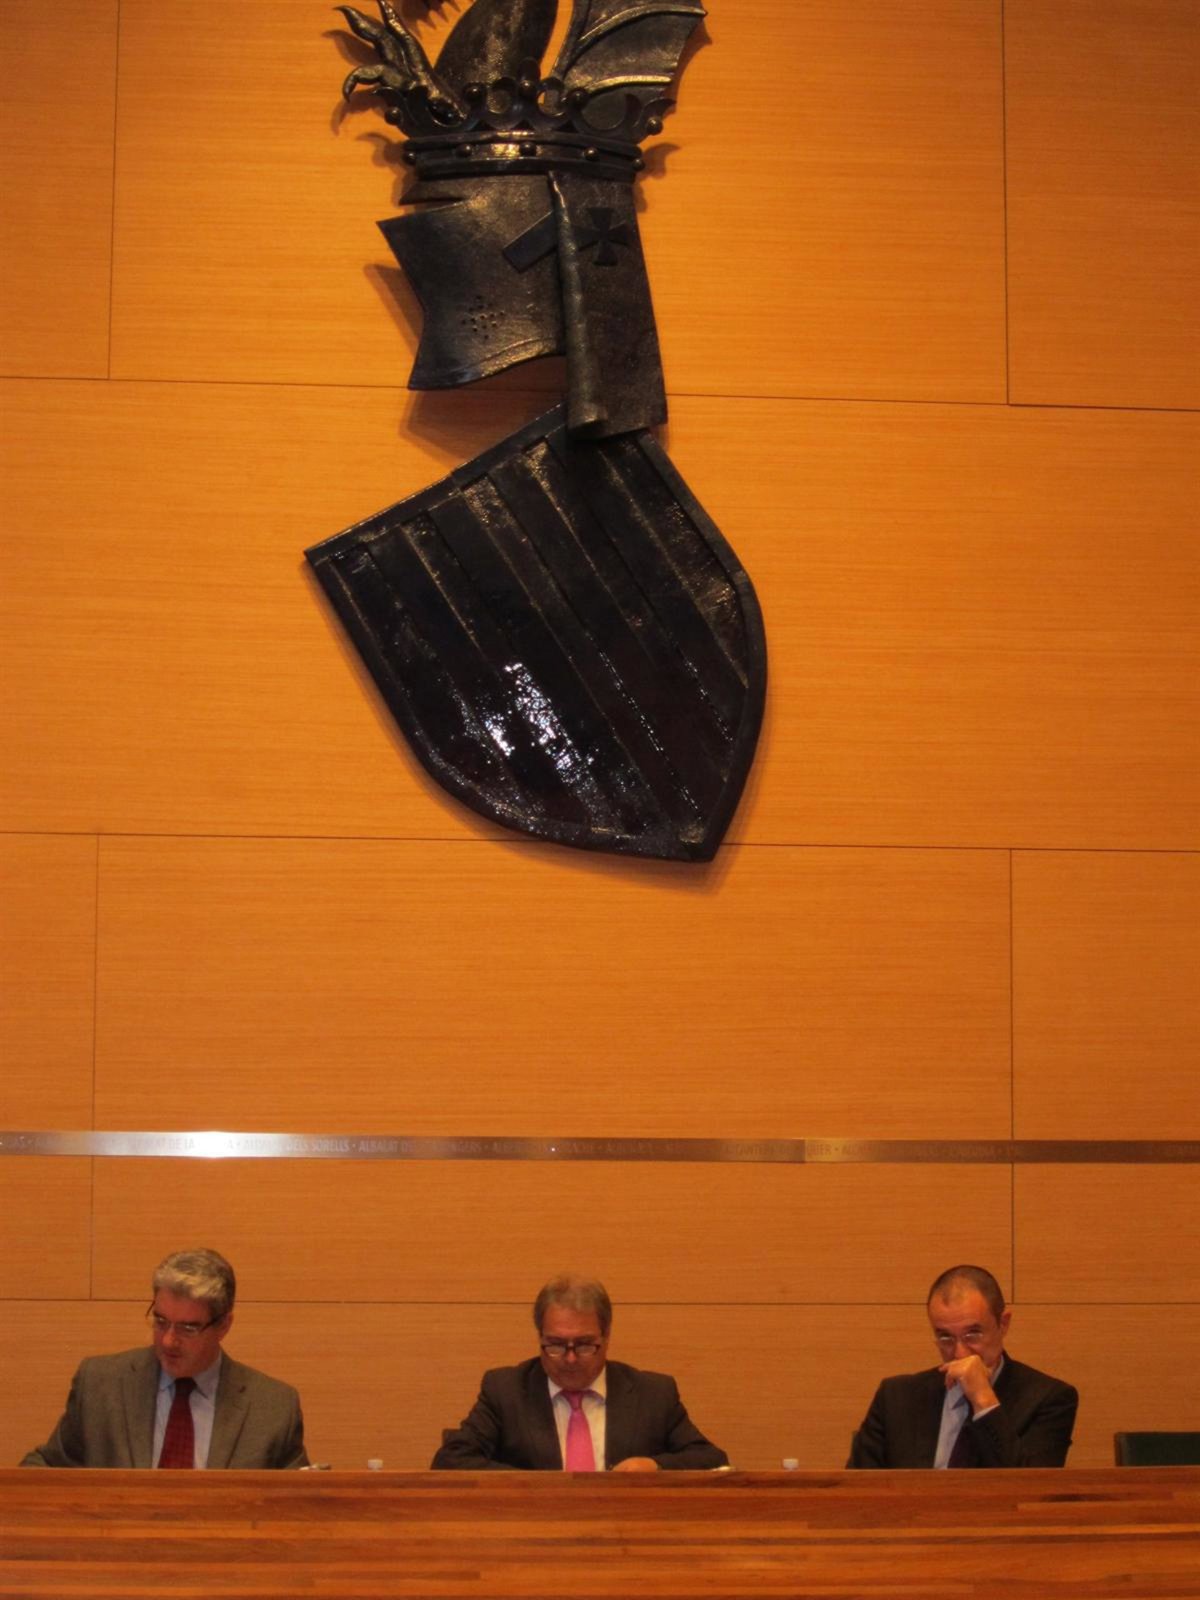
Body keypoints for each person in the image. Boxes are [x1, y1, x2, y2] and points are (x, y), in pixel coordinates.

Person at [21, 1247, 308, 1469]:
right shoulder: (100, 1385)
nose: (169, 1340)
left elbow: (298, 1504)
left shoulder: (273, 1408)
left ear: (223, 1326)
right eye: (160, 1321)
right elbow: (45, 1469)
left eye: (187, 1328)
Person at [432, 1273, 728, 1471]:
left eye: (585, 1345)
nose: (570, 1359)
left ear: (606, 1336)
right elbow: (451, 1460)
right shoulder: (505, 1390)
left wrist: (656, 1466)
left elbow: (713, 1461)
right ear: (540, 1337)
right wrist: (536, 1488)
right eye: (556, 1345)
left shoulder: (653, 1394)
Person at [848, 1264, 1078, 1469]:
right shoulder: (896, 1398)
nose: (960, 1353)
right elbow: (857, 1491)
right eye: (945, 1337)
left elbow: (1030, 1490)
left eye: (972, 1334)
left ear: (1003, 1323)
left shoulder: (1049, 1399)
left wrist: (983, 1400)